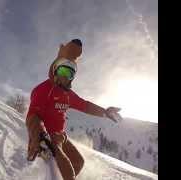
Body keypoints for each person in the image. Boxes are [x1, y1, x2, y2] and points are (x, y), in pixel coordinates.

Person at [26, 39, 122, 180]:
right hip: (48, 137)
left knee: (79, 162)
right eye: (63, 71)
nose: (65, 77)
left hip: (61, 136)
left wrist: (104, 112)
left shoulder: (68, 95)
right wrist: (39, 134)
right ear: (55, 70)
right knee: (67, 171)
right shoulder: (43, 90)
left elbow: (86, 106)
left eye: (69, 74)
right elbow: (33, 116)